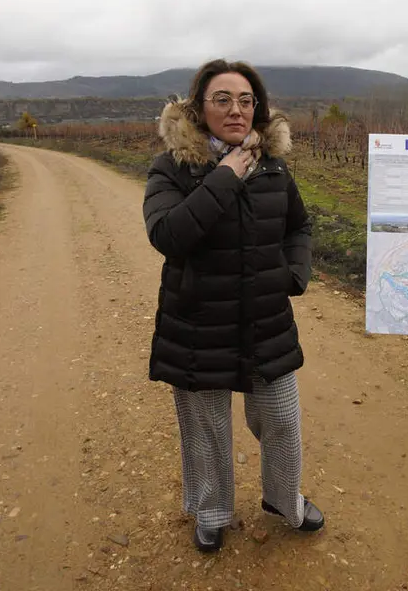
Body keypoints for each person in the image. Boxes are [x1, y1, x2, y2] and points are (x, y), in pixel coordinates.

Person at [142, 58, 325, 553]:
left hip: (266, 320)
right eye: (222, 99)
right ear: (199, 109)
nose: (236, 109)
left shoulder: (273, 168)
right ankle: (212, 510)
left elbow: (298, 227)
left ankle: (285, 500)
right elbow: (168, 235)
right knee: (207, 429)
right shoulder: (172, 169)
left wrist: (294, 273)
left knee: (282, 420)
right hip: (198, 325)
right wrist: (223, 175)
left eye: (246, 100)